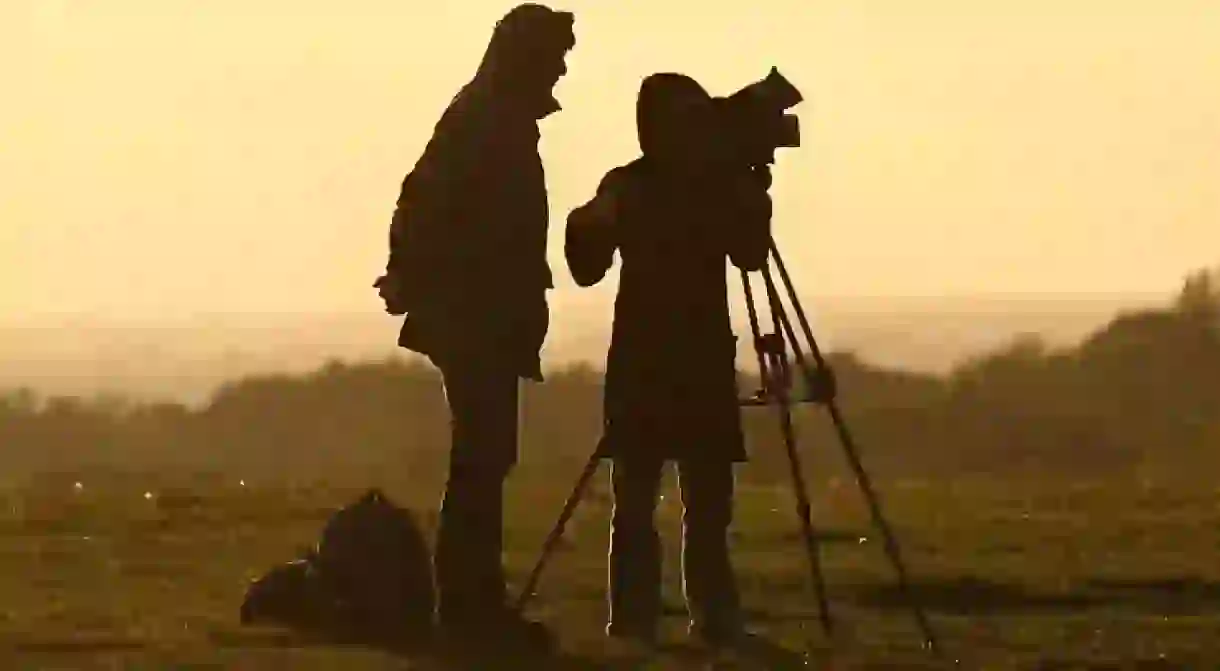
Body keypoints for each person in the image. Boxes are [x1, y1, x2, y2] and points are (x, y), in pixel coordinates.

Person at [373, 3, 575, 652]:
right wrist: (413, 271)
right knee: (482, 460)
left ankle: (471, 606)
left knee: (484, 459)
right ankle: (469, 609)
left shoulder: (490, 115)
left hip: (479, 315)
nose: (562, 70)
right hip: (476, 319)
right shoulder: (489, 120)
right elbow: (427, 199)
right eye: (554, 57)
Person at [564, 72, 773, 652]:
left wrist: (752, 193)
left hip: (691, 359)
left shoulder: (706, 184)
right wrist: (590, 222)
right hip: (650, 362)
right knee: (636, 501)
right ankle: (640, 622)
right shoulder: (631, 186)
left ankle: (705, 620)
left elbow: (751, 253)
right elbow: (588, 263)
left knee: (707, 505)